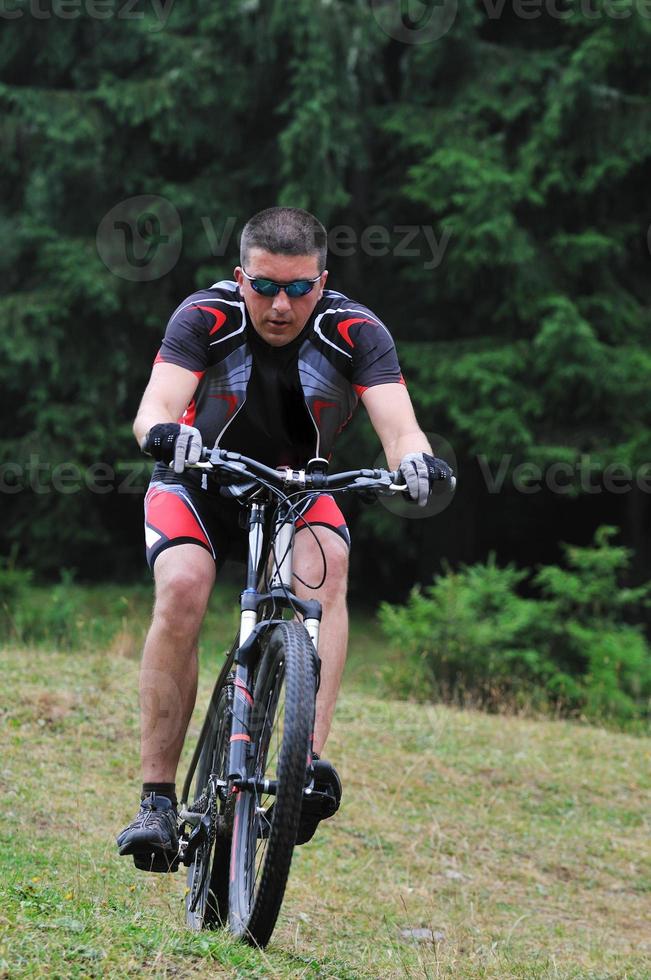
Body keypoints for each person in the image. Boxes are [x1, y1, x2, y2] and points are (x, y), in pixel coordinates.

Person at [117, 206, 451, 867]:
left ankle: (305, 765)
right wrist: (163, 433)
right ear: (240, 277)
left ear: (321, 284)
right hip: (200, 478)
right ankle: (156, 798)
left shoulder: (356, 330)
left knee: (326, 564)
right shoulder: (203, 317)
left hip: (298, 485)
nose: (279, 305)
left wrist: (413, 459)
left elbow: (399, 427)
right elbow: (153, 408)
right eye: (265, 286)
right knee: (182, 589)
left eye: (298, 289)